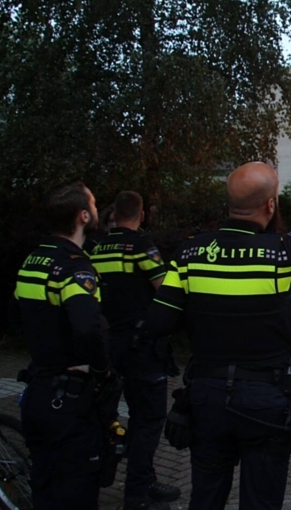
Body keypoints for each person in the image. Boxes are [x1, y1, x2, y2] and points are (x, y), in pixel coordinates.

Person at [143, 134, 291, 510]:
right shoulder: (283, 252)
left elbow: (159, 321)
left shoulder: (189, 253)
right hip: (265, 399)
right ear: (270, 204)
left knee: (206, 497)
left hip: (207, 396)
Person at [15, 182, 111, 509]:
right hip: (68, 401)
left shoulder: (33, 260)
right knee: (76, 492)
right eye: (95, 204)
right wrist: (99, 367)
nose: (98, 210)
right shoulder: (74, 266)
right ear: (83, 216)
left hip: (37, 392)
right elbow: (87, 327)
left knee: (44, 486)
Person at [89, 191, 181, 510]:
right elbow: (165, 288)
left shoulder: (97, 250)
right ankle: (138, 492)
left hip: (108, 346)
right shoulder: (142, 246)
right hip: (141, 345)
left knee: (119, 413)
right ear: (141, 215)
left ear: (115, 214)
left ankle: (145, 479)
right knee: (149, 418)